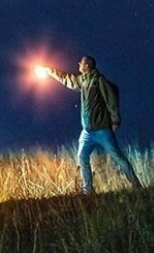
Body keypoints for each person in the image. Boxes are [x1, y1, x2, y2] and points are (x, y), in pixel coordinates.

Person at [42, 55, 142, 194]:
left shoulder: (99, 80)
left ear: (87, 66)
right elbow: (67, 79)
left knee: (117, 156)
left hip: (102, 130)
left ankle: (136, 185)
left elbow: (110, 100)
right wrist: (50, 71)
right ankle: (88, 191)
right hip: (87, 132)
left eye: (81, 62)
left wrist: (115, 120)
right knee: (82, 157)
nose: (78, 64)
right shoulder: (82, 80)